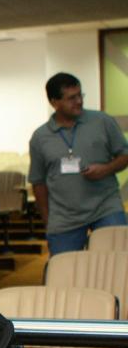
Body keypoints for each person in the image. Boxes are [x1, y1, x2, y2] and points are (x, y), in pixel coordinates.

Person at [29, 72, 128, 256]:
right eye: (71, 98)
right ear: (54, 102)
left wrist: (106, 169)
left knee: (118, 264)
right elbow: (38, 182)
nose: (79, 102)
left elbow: (125, 155)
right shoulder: (40, 137)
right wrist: (47, 220)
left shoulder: (102, 121)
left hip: (106, 207)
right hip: (64, 217)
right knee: (63, 272)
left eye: (80, 95)